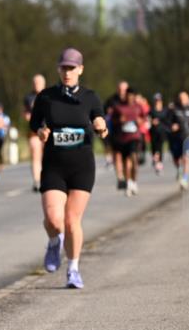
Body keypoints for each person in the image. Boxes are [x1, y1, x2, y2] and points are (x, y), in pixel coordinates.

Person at [29, 48, 107, 289]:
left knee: (72, 220)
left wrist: (101, 126)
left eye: (72, 68)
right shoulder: (46, 97)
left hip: (81, 167)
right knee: (54, 219)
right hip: (54, 165)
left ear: (80, 70)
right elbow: (35, 124)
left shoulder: (90, 97)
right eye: (64, 67)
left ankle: (73, 269)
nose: (67, 72)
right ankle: (54, 242)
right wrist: (41, 131)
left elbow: (100, 122)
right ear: (58, 69)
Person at [110, 88, 143, 196]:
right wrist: (119, 120)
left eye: (132, 96)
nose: (130, 98)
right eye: (128, 96)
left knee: (134, 159)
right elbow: (112, 120)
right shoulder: (118, 107)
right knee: (126, 164)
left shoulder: (138, 107)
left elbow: (144, 118)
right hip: (123, 138)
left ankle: (134, 181)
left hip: (134, 137)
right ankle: (129, 183)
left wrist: (140, 121)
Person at [24, 74, 46, 191]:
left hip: (49, 130)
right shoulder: (28, 98)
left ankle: (47, 178)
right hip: (35, 131)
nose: (36, 84)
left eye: (39, 82)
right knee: (35, 154)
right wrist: (28, 116)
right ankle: (36, 181)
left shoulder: (50, 95)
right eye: (35, 82)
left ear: (44, 84)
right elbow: (26, 113)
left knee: (48, 156)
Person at [167, 94, 189, 189]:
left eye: (185, 98)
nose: (183, 100)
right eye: (181, 99)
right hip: (175, 137)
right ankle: (178, 168)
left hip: (187, 137)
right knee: (176, 158)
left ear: (188, 99)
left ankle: (185, 179)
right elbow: (167, 121)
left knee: (186, 157)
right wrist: (172, 126)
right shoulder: (173, 109)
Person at [105, 81, 128, 179]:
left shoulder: (130, 100)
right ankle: (120, 177)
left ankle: (128, 177)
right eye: (120, 89)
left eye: (124, 89)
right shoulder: (111, 100)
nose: (122, 91)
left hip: (128, 133)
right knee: (117, 154)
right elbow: (103, 111)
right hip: (116, 131)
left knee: (127, 157)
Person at [149, 93, 170, 174]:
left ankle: (159, 164)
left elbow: (168, 120)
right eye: (156, 100)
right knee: (154, 147)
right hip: (153, 131)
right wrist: (152, 121)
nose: (157, 102)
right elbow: (147, 119)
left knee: (160, 147)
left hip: (162, 131)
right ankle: (156, 159)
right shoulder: (151, 110)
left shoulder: (165, 110)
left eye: (159, 100)